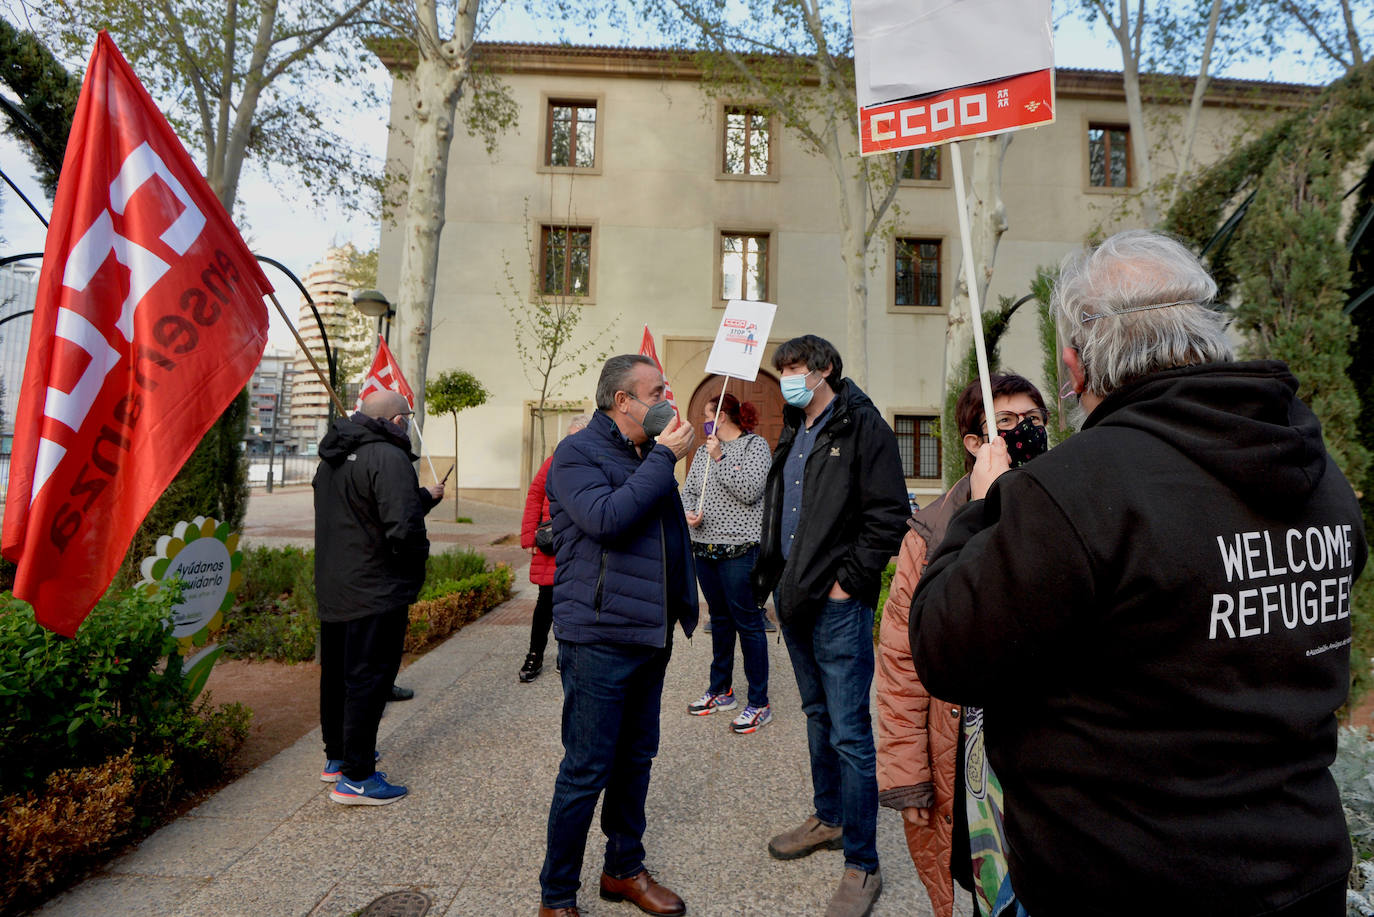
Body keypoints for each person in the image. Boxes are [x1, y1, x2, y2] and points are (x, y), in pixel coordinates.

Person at [911, 230, 1367, 917]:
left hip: (1128, 882)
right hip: (1302, 871)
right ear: (1206, 334)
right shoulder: (1316, 470)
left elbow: (947, 645)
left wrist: (984, 506)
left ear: (1075, 364)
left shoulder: (1075, 489)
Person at [875, 373, 1048, 917]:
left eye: (1033, 421)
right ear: (974, 445)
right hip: (967, 760)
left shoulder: (1066, 512)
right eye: (1005, 423)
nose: (1023, 432)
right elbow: (901, 666)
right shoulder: (929, 535)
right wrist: (909, 779)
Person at [751, 334, 910, 917]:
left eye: (793, 368)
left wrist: (849, 583)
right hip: (794, 600)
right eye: (782, 369)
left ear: (824, 370)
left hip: (838, 605)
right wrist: (770, 581)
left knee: (849, 733)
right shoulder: (796, 428)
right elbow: (785, 510)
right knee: (817, 717)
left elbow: (889, 515)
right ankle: (829, 818)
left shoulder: (864, 427)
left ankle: (862, 864)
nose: (787, 377)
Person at [537, 354, 697, 917]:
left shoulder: (641, 455)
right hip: (598, 637)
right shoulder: (577, 452)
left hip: (648, 634)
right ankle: (556, 896)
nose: (667, 398)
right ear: (622, 400)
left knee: (636, 761)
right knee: (586, 770)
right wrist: (663, 460)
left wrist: (684, 603)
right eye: (656, 391)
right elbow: (607, 519)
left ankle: (623, 869)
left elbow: (665, 533)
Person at [313, 390, 443, 805]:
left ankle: (339, 758)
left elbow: (361, 513)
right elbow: (402, 528)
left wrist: (422, 499)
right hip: (376, 589)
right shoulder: (388, 458)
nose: (407, 424)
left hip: (337, 586)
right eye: (406, 417)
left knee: (336, 677)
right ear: (397, 420)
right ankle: (357, 778)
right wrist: (415, 566)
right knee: (369, 680)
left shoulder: (333, 456)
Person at [682, 393, 773, 733]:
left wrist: (720, 457)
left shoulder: (755, 447)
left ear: (722, 416)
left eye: (709, 415)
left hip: (740, 548)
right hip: (704, 547)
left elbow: (750, 490)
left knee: (748, 622)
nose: (707, 422)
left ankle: (759, 702)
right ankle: (721, 690)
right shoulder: (704, 450)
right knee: (719, 620)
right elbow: (689, 489)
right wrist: (688, 511)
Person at [519, 414, 591, 683]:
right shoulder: (553, 462)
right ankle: (534, 655)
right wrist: (529, 537)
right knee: (545, 603)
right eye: (568, 437)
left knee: (573, 603)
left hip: (579, 545)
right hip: (551, 544)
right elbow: (535, 495)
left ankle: (566, 655)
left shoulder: (592, 464)